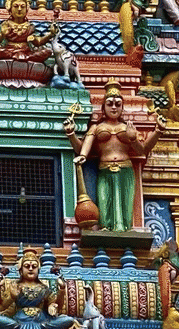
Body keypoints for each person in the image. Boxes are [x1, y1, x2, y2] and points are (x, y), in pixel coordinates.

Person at [64, 80, 156, 231]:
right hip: (104, 168)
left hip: (125, 168)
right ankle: (105, 227)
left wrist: (155, 131)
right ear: (103, 107)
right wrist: (71, 134)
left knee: (125, 203)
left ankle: (125, 229)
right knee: (104, 200)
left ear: (122, 107)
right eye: (110, 104)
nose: (114, 107)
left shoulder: (127, 127)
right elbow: (82, 149)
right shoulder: (96, 127)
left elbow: (142, 150)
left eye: (118, 104)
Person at [0, 249, 77, 329]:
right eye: (27, 266)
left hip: (42, 322)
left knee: (69, 320)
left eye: (34, 266)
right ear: (21, 270)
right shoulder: (15, 287)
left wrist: (62, 289)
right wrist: (0, 290)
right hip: (18, 322)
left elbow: (57, 307)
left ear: (38, 270)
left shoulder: (44, 288)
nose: (31, 269)